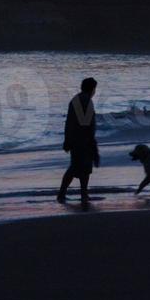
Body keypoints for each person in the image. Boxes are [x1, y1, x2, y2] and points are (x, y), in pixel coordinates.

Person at [57, 77, 100, 205]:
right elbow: (87, 125)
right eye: (95, 89)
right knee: (83, 168)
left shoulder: (75, 100)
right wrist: (93, 145)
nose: (95, 92)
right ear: (92, 89)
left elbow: (69, 123)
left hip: (75, 139)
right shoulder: (86, 101)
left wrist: (67, 140)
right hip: (83, 140)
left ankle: (70, 193)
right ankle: (79, 194)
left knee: (76, 167)